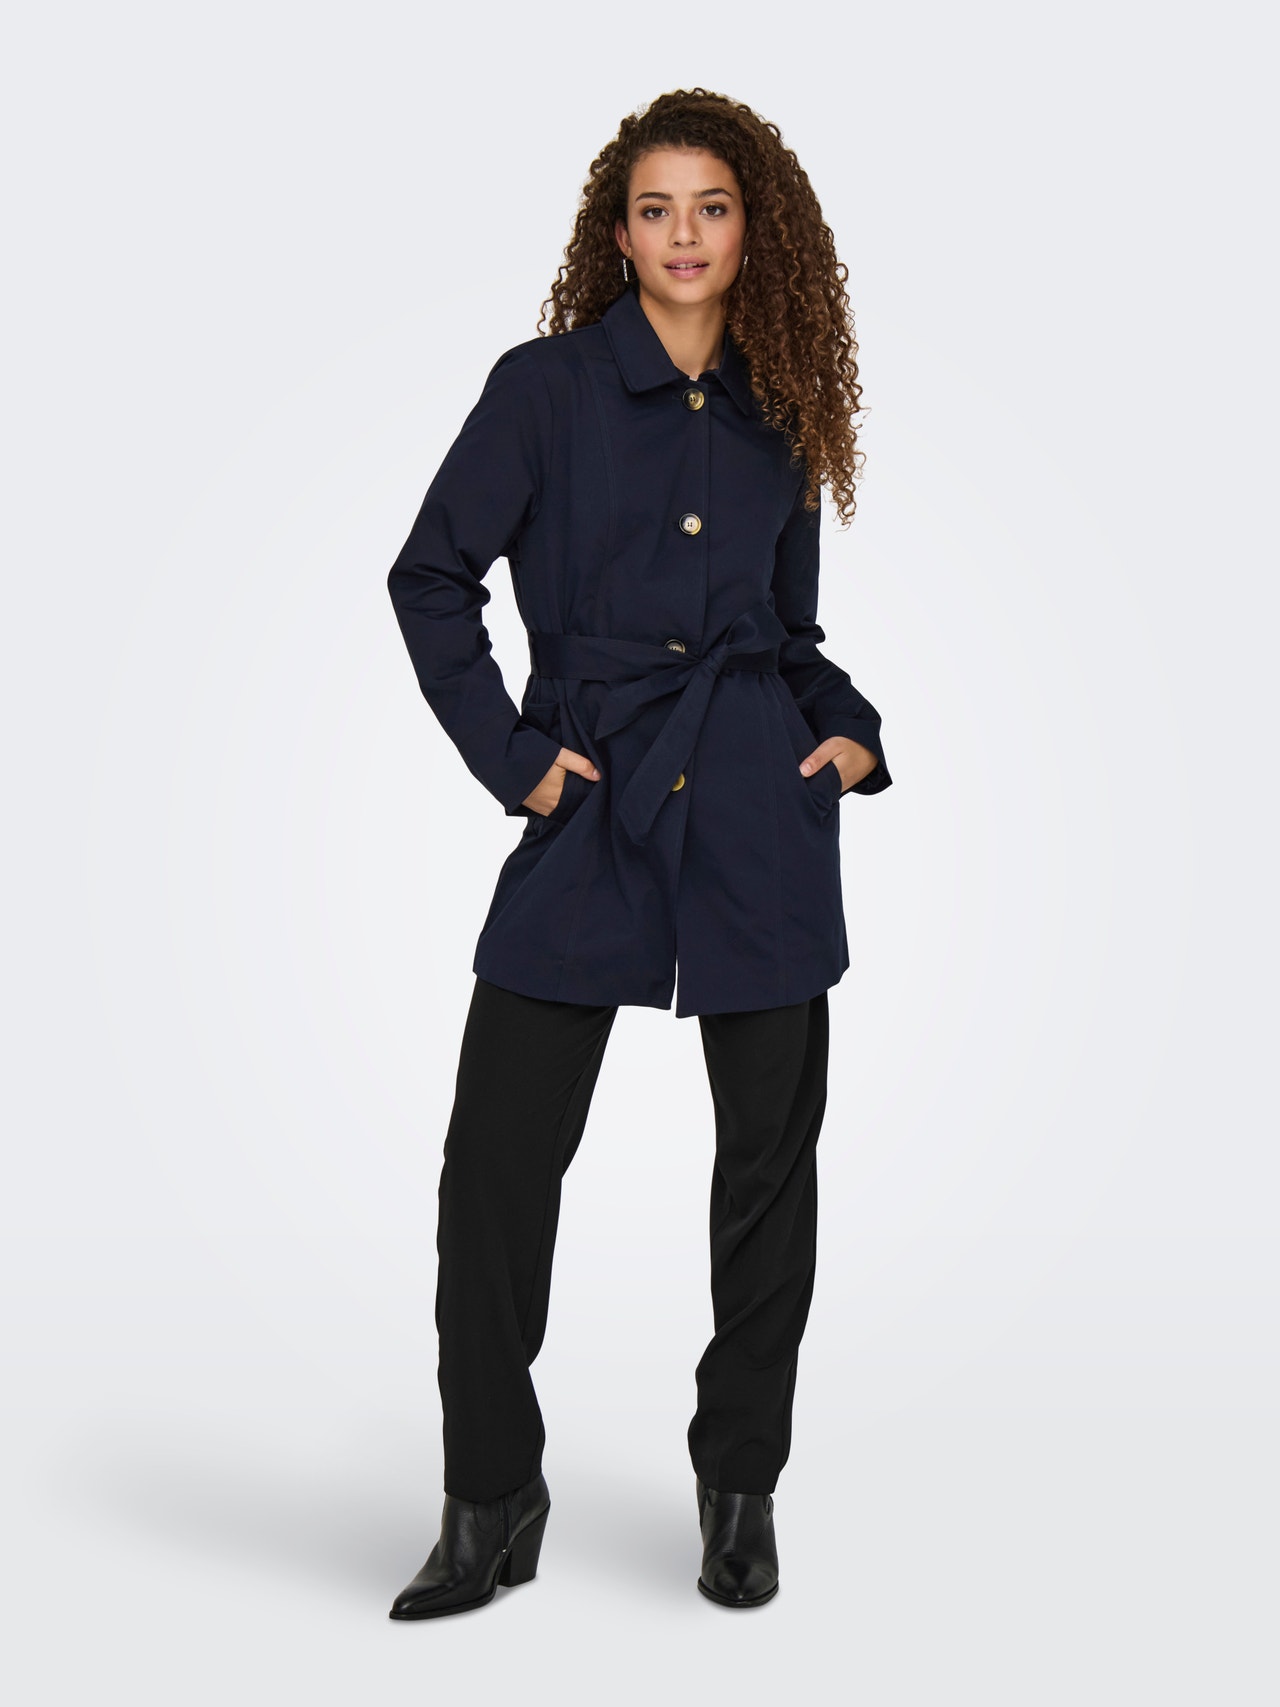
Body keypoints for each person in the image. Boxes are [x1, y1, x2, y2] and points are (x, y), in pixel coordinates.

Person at [384, 86, 893, 1618]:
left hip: (754, 809)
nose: (685, 234)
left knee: (767, 1179)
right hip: (593, 801)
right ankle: (491, 1495)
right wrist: (516, 760)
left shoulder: (782, 406)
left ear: (754, 233)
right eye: (657, 208)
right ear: (618, 232)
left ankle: (741, 1491)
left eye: (712, 208)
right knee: (494, 1169)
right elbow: (430, 577)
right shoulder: (542, 391)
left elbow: (789, 634)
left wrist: (850, 733)